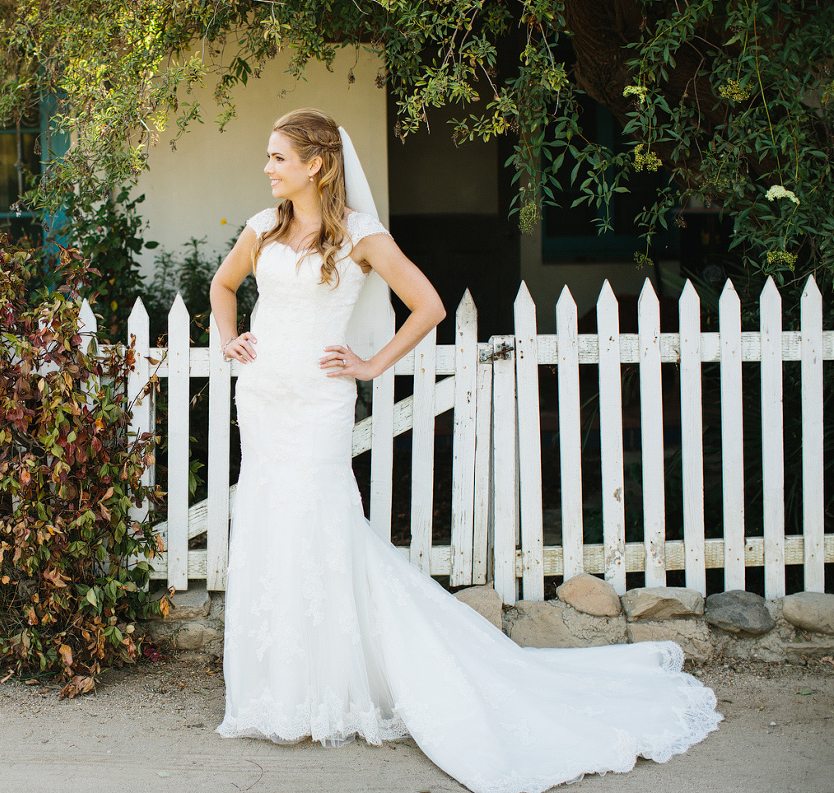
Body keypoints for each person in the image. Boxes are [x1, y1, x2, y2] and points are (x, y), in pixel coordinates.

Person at [208, 108, 720, 793]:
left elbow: (426, 306)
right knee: (272, 528)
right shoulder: (260, 228)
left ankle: (332, 691)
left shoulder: (360, 234)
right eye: (268, 157)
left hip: (319, 403)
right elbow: (221, 285)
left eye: (277, 157)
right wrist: (228, 338)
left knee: (322, 529)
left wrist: (370, 364)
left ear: (316, 165)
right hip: (264, 399)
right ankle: (276, 692)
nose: (266, 168)